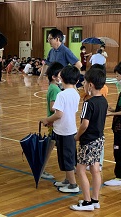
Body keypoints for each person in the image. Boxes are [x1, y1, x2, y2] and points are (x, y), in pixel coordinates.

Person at [70, 67, 108, 211]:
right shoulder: (103, 101)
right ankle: (95, 199)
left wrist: (77, 136)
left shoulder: (88, 103)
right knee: (95, 169)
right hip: (99, 139)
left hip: (88, 141)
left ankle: (87, 202)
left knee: (80, 170)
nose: (83, 85)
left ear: (90, 85)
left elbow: (84, 124)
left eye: (84, 82)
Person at [41, 65, 80, 193]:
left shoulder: (62, 95)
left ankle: (73, 185)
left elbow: (59, 114)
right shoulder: (76, 93)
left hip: (64, 131)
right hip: (70, 129)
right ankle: (68, 180)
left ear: (61, 78)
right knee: (66, 157)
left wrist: (47, 120)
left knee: (66, 158)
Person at [104, 61, 121, 186]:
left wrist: (112, 114)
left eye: (117, 76)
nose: (117, 79)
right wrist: (113, 110)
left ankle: (119, 177)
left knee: (119, 150)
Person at [42, 61, 64, 179]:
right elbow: (52, 107)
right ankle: (41, 168)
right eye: (60, 74)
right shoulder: (55, 89)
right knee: (50, 146)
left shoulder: (53, 87)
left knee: (51, 146)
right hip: (54, 123)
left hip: (54, 123)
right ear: (54, 77)